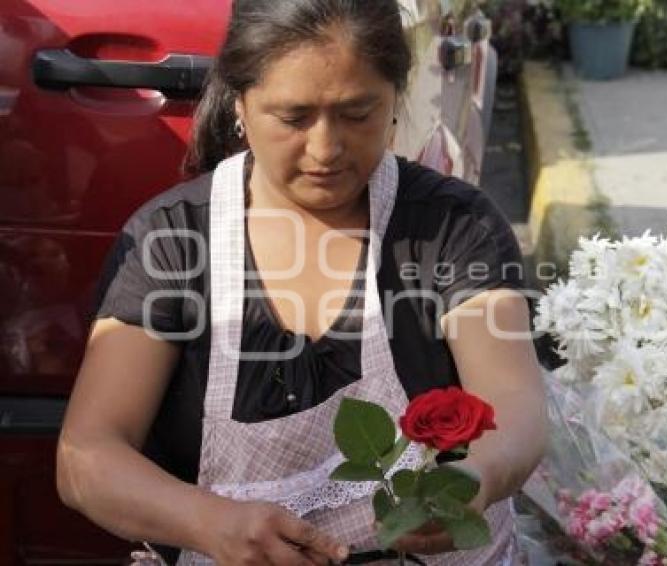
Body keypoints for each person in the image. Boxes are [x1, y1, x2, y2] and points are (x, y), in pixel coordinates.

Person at [55, 1, 547, 564]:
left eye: (358, 113)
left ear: (395, 98)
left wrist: (474, 479)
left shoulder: (453, 226)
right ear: (239, 103)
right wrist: (209, 523)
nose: (326, 149)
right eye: (293, 118)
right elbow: (85, 456)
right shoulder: (173, 241)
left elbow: (514, 404)